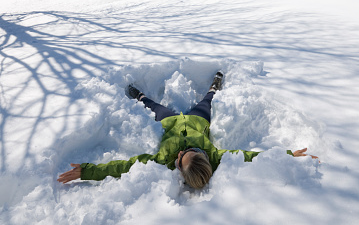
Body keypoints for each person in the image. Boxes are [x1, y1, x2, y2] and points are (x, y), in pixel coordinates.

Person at [58, 72, 319, 189]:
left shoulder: (161, 161)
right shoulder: (216, 156)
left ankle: (139, 96)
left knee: (155, 107)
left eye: (182, 156)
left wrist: (90, 171)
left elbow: (123, 167)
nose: (184, 150)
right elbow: (250, 156)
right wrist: (288, 155)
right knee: (206, 102)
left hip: (171, 123)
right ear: (205, 156)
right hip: (197, 121)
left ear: (178, 167)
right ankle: (214, 88)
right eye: (194, 150)